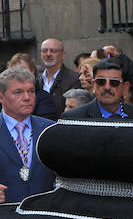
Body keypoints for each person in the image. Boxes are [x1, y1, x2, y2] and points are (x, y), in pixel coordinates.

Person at [0, 67, 55, 203]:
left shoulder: (51, 129)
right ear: (1, 97)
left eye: (31, 91)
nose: (27, 98)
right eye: (18, 92)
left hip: (44, 214)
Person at [61, 59, 133, 119]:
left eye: (114, 82)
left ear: (125, 88)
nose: (107, 87)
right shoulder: (74, 117)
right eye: (101, 81)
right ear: (94, 85)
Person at [39, 38, 81, 118]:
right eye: (44, 51)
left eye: (53, 51)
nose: (48, 54)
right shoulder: (36, 80)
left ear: (63, 54)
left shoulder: (74, 79)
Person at [7, 53, 57, 120]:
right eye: (13, 70)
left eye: (22, 69)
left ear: (32, 71)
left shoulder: (44, 98)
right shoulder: (5, 96)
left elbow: (46, 125)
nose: (17, 73)